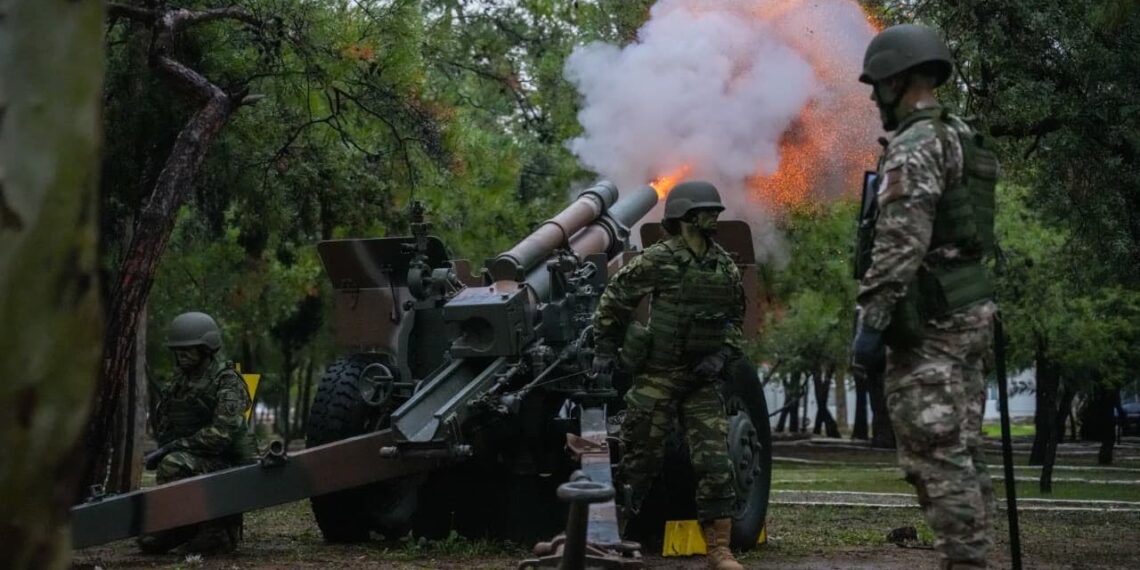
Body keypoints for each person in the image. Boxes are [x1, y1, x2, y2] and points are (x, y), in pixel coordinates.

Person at [851, 23, 999, 570]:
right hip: (967, 308)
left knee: (936, 456)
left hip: (931, 319)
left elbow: (900, 243)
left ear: (899, 80)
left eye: (877, 84)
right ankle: (970, 559)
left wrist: (873, 322)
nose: (872, 96)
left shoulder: (915, 145)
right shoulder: (959, 133)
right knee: (962, 450)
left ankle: (965, 562)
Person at [592, 180, 745, 570]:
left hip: (700, 382)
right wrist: (608, 350)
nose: (716, 215)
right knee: (638, 460)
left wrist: (722, 355)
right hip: (658, 376)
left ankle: (718, 550)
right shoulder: (658, 260)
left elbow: (735, 321)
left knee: (715, 463)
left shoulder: (724, 266)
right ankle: (612, 542)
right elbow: (614, 300)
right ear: (687, 217)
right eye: (709, 210)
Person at [138, 311, 255, 554]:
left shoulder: (227, 381)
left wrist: (173, 447)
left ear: (206, 348)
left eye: (189, 349)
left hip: (229, 463)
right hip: (203, 458)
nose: (181, 355)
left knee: (173, 464)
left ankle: (217, 533)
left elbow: (221, 435)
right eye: (177, 350)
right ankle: (184, 525)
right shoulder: (182, 380)